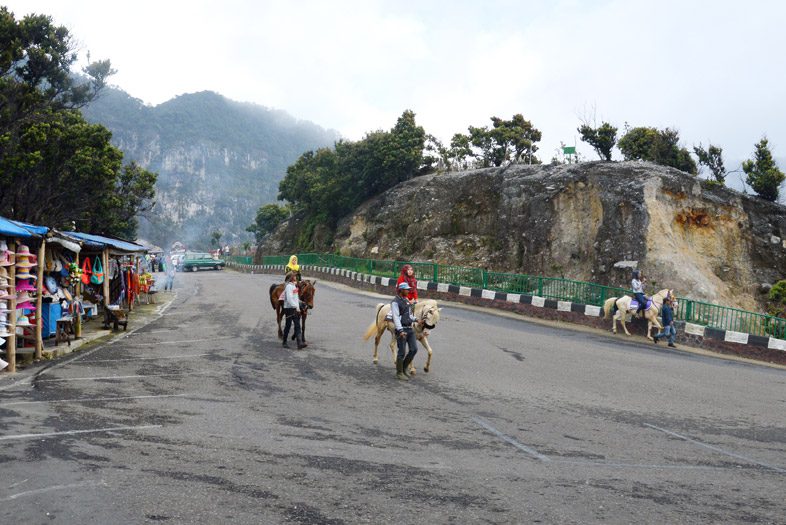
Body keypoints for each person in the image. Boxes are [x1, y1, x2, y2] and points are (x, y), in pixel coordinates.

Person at [391, 282, 422, 381]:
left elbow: (408, 315)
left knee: (414, 349)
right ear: (401, 290)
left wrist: (416, 320)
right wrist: (400, 330)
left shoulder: (406, 300)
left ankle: (404, 368)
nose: (408, 291)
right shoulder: (395, 302)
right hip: (402, 330)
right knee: (401, 352)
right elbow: (396, 317)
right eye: (406, 289)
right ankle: (399, 373)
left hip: (410, 329)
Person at [282, 271, 307, 349]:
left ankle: (299, 343)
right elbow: (289, 299)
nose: (296, 277)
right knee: (288, 325)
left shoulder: (294, 287)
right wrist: (295, 307)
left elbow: (295, 298)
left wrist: (299, 306)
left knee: (297, 325)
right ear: (291, 278)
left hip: (295, 309)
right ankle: (284, 342)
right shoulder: (289, 286)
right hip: (289, 309)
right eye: (294, 276)